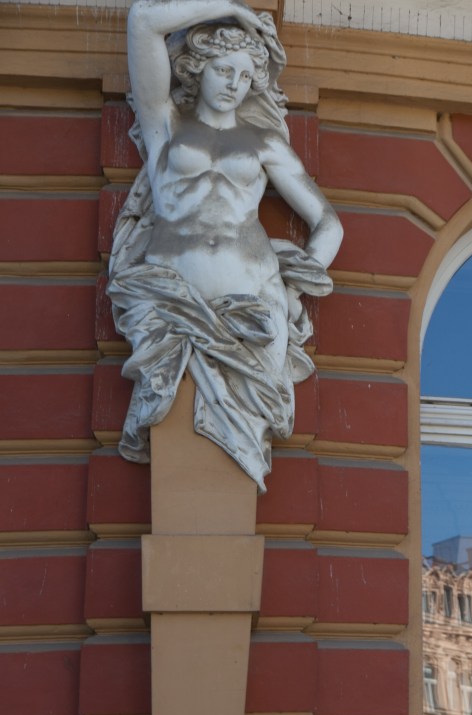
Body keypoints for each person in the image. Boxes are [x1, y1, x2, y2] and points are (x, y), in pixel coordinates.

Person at [108, 0, 343, 491]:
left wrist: (296, 286)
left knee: (243, 445)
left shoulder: (263, 143)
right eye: (222, 69)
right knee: (172, 426)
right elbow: (143, 23)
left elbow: (327, 222)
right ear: (197, 69)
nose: (234, 82)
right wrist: (229, 9)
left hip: (253, 299)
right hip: (171, 297)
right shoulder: (165, 126)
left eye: (244, 73)